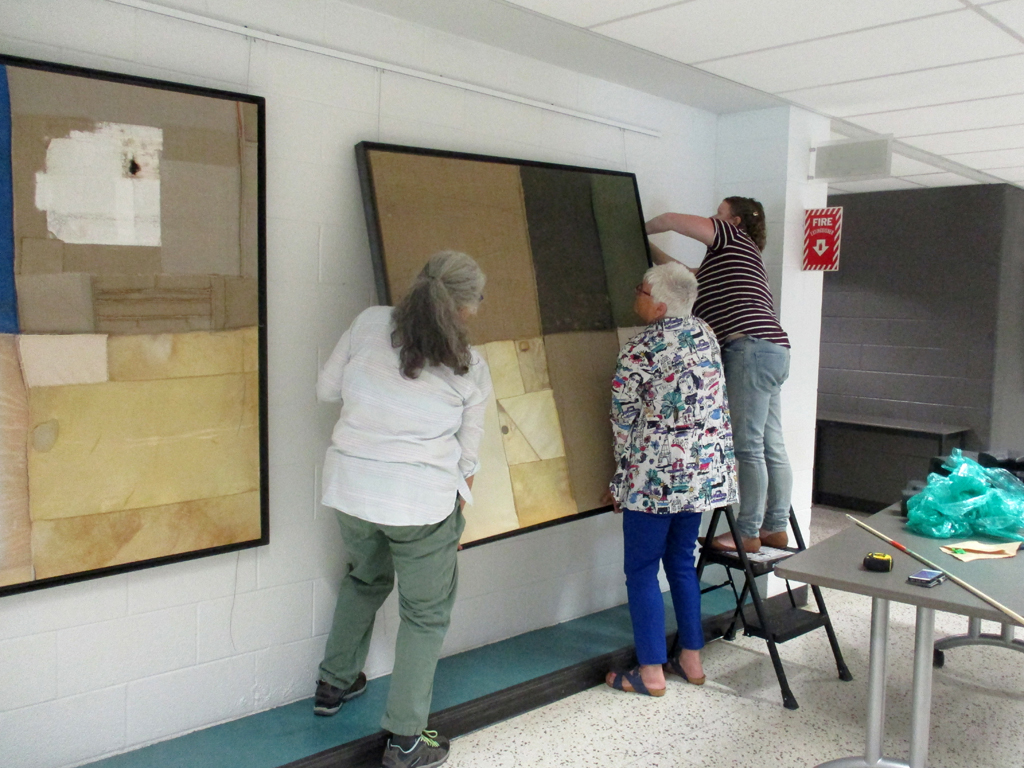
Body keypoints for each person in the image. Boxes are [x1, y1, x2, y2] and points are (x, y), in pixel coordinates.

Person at [314, 251, 489, 768]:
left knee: (364, 578)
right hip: (420, 504)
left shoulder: (369, 321)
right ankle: (407, 740)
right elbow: (470, 454)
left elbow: (326, 390)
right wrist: (460, 511)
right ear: (466, 307)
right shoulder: (470, 364)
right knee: (425, 615)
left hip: (350, 488)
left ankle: (333, 685)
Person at [605, 262, 738, 696]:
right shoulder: (707, 336)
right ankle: (692, 661)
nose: (636, 296)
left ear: (660, 304)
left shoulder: (640, 347)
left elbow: (623, 421)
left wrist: (619, 484)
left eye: (641, 290)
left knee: (642, 570)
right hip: (699, 480)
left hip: (651, 483)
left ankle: (650, 674)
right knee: (681, 563)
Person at [645, 197, 792, 554]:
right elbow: (683, 275)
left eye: (719, 212)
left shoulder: (729, 237)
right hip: (772, 350)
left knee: (748, 446)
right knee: (771, 444)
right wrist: (646, 246)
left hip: (749, 350)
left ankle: (747, 531)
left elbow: (669, 217)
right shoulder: (735, 259)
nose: (712, 217)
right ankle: (775, 526)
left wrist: (638, 224)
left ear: (735, 220)